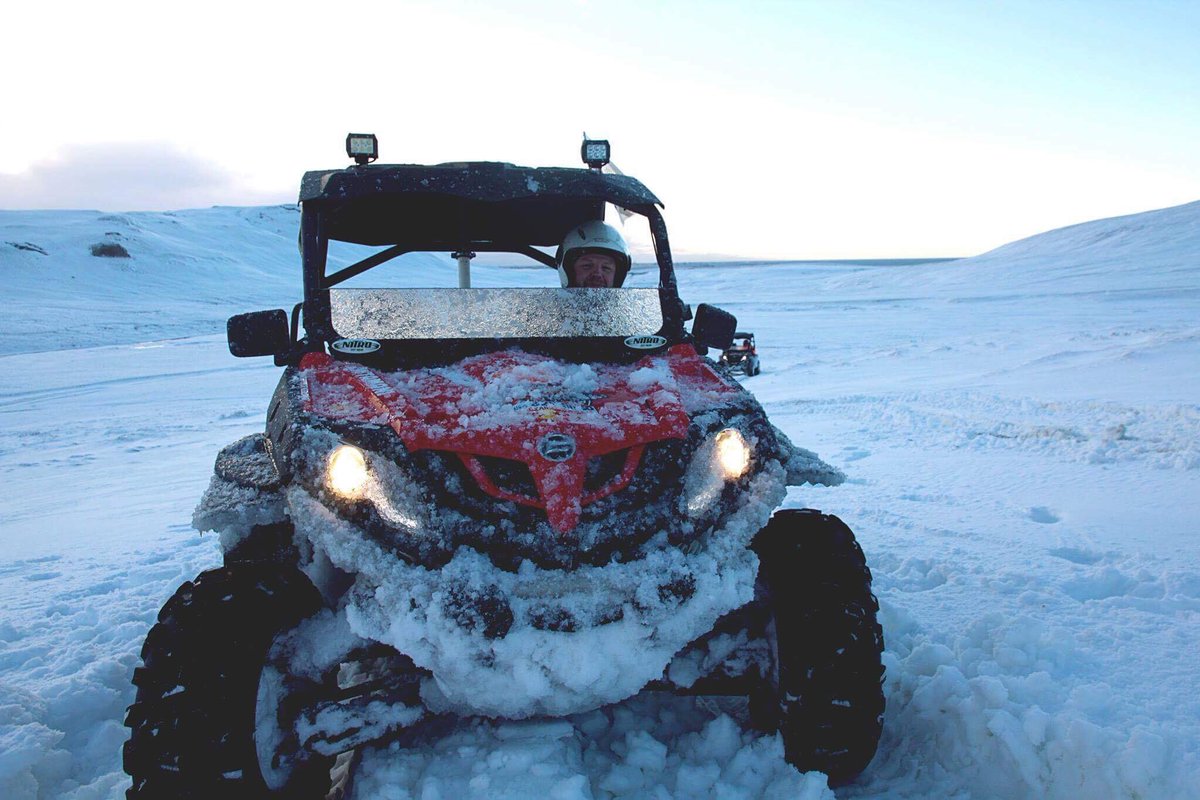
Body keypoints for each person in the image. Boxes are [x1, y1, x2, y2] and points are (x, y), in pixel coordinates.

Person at [556, 220, 631, 288]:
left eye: (606, 268)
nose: (597, 274)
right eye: (587, 266)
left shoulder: (628, 303)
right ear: (569, 270)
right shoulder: (551, 303)